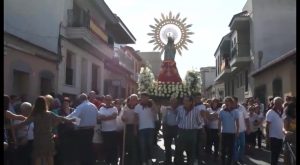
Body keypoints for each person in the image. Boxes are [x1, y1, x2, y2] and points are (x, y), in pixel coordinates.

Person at [13, 96, 75, 165]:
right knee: (49, 157)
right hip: (48, 139)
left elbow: (24, 123)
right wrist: (71, 120)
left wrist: (12, 126)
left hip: (38, 139)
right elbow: (60, 118)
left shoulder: (34, 115)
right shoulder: (49, 114)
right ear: (45, 104)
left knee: (38, 157)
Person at [67, 93, 98, 165]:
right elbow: (97, 116)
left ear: (81, 100)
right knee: (89, 148)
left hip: (83, 131)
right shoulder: (94, 106)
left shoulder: (81, 106)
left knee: (83, 149)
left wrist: (63, 118)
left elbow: (73, 116)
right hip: (91, 130)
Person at [174, 95, 200, 165]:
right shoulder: (180, 109)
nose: (184, 102)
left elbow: (199, 122)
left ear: (191, 102)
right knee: (179, 150)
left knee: (191, 151)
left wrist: (195, 129)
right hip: (182, 132)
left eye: (186, 101)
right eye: (184, 100)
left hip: (192, 133)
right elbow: (177, 120)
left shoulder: (196, 110)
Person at [134, 92, 156, 165]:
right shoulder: (137, 106)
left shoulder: (151, 105)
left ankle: (149, 159)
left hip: (150, 128)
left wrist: (152, 103)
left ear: (148, 98)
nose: (144, 99)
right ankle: (143, 161)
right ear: (141, 98)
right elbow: (136, 118)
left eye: (145, 97)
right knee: (142, 146)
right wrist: (135, 129)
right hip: (141, 129)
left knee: (150, 145)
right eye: (142, 97)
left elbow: (156, 111)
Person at [218, 97, 239, 165]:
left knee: (230, 149)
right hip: (224, 132)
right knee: (223, 149)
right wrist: (219, 131)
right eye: (225, 102)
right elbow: (219, 122)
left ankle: (229, 163)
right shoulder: (222, 111)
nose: (226, 103)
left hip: (232, 133)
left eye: (228, 102)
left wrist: (237, 131)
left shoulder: (235, 111)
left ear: (231, 103)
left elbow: (237, 122)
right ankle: (223, 162)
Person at [98, 95, 119, 165]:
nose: (108, 101)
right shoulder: (101, 108)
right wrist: (109, 117)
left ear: (111, 100)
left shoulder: (114, 108)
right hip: (104, 131)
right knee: (106, 147)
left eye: (109, 99)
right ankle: (107, 162)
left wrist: (105, 117)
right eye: (106, 99)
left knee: (113, 148)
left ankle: (114, 162)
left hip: (113, 131)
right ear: (104, 100)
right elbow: (100, 118)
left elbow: (114, 116)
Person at [266, 97, 284, 165]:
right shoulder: (270, 112)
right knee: (274, 154)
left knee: (278, 153)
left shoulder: (282, 111)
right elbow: (267, 125)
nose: (279, 104)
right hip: (273, 136)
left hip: (281, 136)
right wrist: (267, 136)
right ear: (274, 103)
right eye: (278, 103)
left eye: (280, 103)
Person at [122, 94, 139, 165]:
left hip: (136, 127)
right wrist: (123, 118)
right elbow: (122, 117)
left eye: (135, 99)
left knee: (134, 145)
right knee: (129, 144)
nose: (133, 101)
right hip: (128, 127)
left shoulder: (138, 107)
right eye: (132, 99)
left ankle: (134, 161)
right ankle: (129, 160)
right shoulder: (126, 107)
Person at [232, 96, 250, 164]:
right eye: (232, 101)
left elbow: (246, 118)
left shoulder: (242, 107)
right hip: (233, 131)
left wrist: (248, 128)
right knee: (235, 145)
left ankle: (240, 157)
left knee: (242, 145)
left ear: (237, 101)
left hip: (242, 130)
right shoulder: (229, 108)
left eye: (234, 101)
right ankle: (235, 159)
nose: (233, 103)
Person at [162, 96, 179, 164]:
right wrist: (164, 129)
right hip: (168, 128)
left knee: (178, 146)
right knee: (167, 146)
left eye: (174, 102)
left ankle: (176, 160)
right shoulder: (166, 109)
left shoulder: (179, 109)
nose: (173, 103)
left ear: (176, 103)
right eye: (172, 101)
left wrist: (175, 111)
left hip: (176, 128)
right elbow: (164, 119)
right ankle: (168, 160)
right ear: (170, 102)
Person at [193, 93, 207, 164]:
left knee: (200, 146)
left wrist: (204, 126)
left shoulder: (202, 106)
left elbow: (204, 117)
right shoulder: (192, 105)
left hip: (200, 128)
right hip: (193, 128)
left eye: (199, 98)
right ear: (194, 98)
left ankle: (200, 160)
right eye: (197, 97)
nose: (198, 99)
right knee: (194, 145)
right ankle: (195, 159)